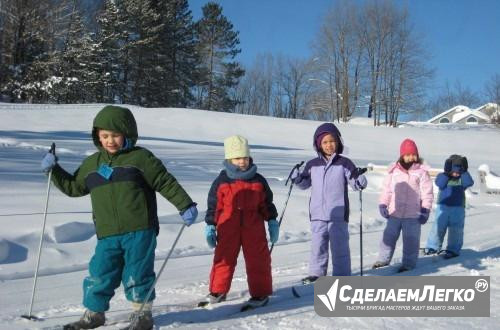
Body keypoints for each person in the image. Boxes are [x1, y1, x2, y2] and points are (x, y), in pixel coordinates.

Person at [41, 105, 198, 330]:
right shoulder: (92, 164)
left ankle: (142, 314)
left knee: (137, 271)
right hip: (107, 232)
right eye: (104, 136)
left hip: (140, 229)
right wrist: (53, 171)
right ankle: (94, 313)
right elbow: (74, 187)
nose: (110, 141)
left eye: (115, 135)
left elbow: (165, 181)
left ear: (127, 134)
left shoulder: (141, 158)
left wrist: (185, 204)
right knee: (100, 271)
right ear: (97, 136)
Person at [201, 135, 278, 309]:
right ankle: (218, 290)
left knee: (258, 260)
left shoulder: (258, 180)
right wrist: (210, 225)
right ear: (229, 159)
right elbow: (214, 206)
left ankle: (260, 293)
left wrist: (272, 221)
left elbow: (267, 203)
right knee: (223, 258)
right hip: (228, 227)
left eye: (244, 157)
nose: (242, 161)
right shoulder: (221, 181)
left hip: (254, 228)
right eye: (237, 158)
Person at [291, 123, 367, 283]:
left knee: (340, 247)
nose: (329, 145)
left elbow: (355, 183)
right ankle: (317, 274)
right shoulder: (312, 164)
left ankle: (342, 275)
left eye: (332, 141)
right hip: (318, 214)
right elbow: (304, 184)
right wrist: (297, 178)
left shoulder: (344, 163)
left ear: (338, 142)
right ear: (318, 144)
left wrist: (359, 180)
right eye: (325, 142)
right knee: (318, 246)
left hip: (338, 214)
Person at [373, 138, 434, 273]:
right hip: (394, 212)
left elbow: (427, 193)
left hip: (413, 215)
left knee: (411, 240)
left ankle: (408, 263)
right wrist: (383, 204)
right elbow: (387, 190)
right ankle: (383, 259)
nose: (411, 157)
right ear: (402, 156)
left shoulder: (422, 172)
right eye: (407, 155)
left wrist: (425, 210)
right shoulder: (394, 171)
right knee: (388, 237)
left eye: (413, 154)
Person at [424, 155, 474, 259]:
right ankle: (432, 247)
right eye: (453, 171)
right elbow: (439, 183)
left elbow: (469, 182)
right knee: (438, 227)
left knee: (456, 230)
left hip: (458, 209)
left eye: (458, 171)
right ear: (448, 169)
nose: (456, 173)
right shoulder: (444, 177)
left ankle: (453, 249)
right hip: (443, 208)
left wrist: (464, 171)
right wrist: (446, 173)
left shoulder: (462, 180)